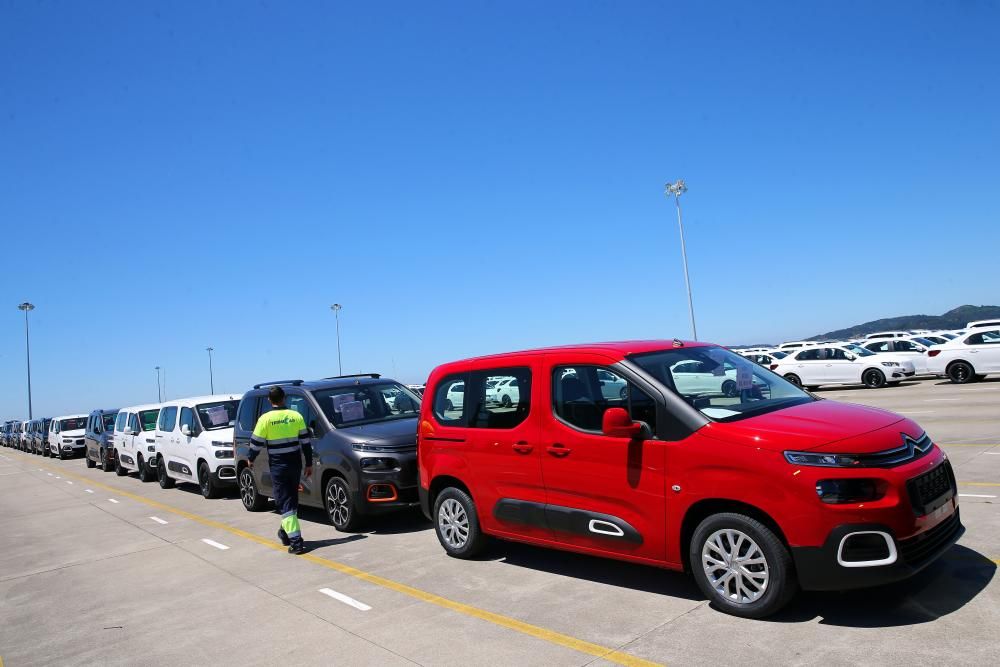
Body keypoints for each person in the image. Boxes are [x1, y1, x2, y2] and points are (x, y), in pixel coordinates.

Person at [248, 386, 313, 554]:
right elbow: (306, 442)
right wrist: (309, 464)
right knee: (291, 499)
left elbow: (255, 444)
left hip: (278, 467)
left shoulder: (265, 419)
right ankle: (284, 533)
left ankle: (296, 541)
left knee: (284, 502)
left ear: (270, 401)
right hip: (295, 464)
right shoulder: (296, 416)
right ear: (285, 398)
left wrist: (251, 458)